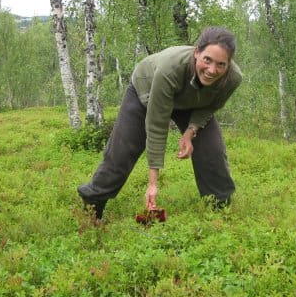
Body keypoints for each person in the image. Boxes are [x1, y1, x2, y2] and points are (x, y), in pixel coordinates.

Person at [77, 26, 242, 221]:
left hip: (191, 103)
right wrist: (153, 184)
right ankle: (93, 206)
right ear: (197, 52)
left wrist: (190, 132)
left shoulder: (232, 78)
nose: (212, 70)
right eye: (207, 60)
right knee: (122, 151)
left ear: (229, 64)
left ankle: (220, 211)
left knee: (212, 149)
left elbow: (211, 106)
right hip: (146, 90)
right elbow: (157, 125)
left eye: (221, 64)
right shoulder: (170, 69)